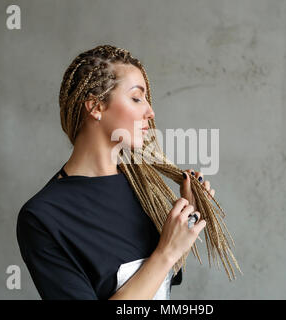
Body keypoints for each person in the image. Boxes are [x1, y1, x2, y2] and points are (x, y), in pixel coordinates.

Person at [16, 45, 241, 300]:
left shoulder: (143, 188)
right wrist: (165, 252)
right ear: (96, 107)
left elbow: (160, 281)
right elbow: (162, 260)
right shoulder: (43, 217)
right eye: (136, 98)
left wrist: (185, 216)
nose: (150, 111)